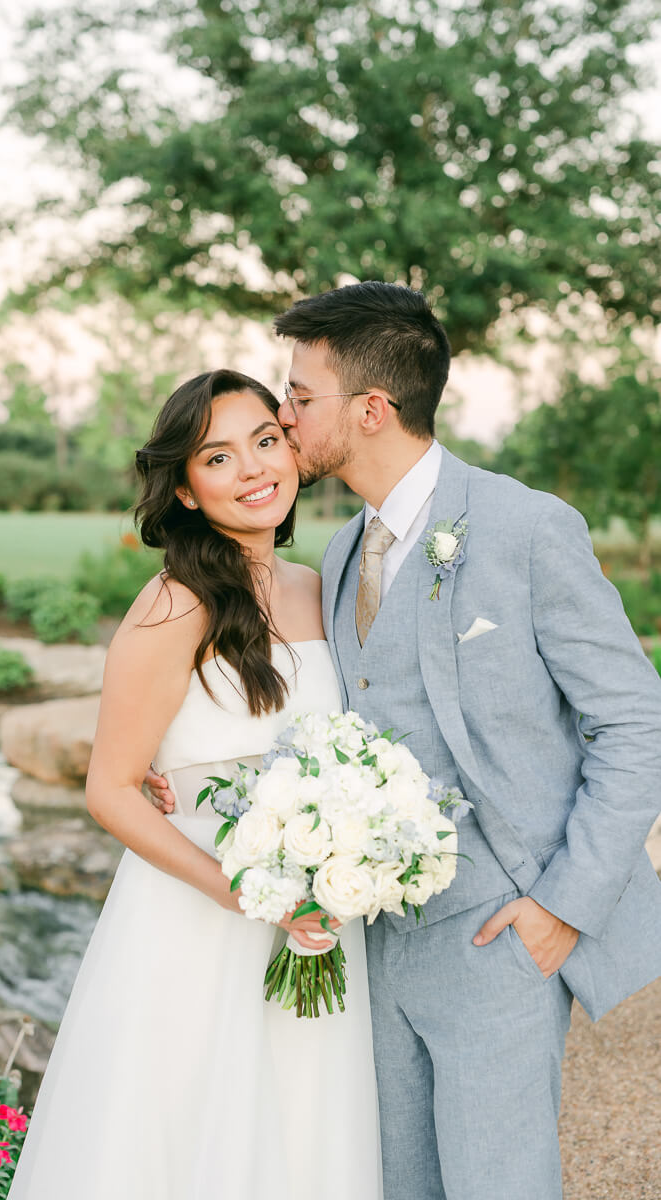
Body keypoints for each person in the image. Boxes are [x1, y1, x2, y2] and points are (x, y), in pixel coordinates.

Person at [149, 284, 661, 1200]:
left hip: (499, 934)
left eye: (300, 397)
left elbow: (634, 721)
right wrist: (188, 777)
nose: (284, 413)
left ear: (371, 409)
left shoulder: (528, 527)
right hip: (363, 941)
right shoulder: (342, 553)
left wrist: (563, 905)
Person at [7, 369, 383, 1200]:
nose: (254, 469)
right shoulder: (173, 607)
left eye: (265, 441)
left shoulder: (318, 591)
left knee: (303, 1128)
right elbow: (108, 790)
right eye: (219, 457)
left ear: (291, 446)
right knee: (183, 1138)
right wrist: (244, 894)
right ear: (183, 487)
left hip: (316, 914)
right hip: (201, 914)